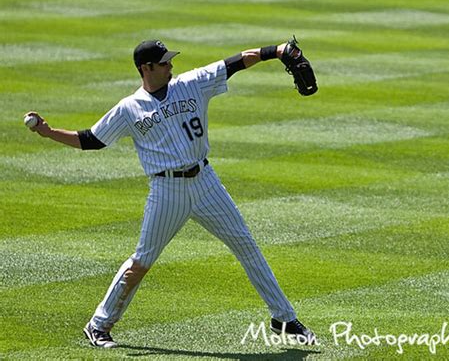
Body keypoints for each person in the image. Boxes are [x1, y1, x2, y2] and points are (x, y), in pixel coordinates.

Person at [25, 39, 316, 348]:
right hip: (167, 190)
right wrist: (48, 132)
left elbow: (236, 62)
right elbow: (91, 140)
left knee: (246, 244)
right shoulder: (129, 108)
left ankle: (283, 318)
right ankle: (98, 324)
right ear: (145, 68)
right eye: (163, 62)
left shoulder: (192, 83)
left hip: (206, 182)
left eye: (169, 60)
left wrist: (277, 51)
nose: (170, 65)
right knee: (142, 261)